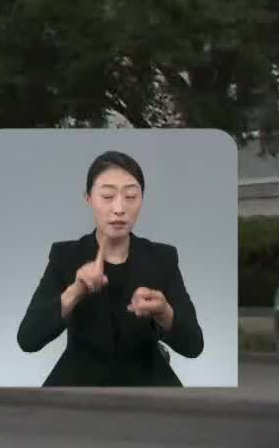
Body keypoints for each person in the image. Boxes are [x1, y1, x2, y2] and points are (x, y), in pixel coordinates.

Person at [16, 150, 204, 385]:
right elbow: (28, 339)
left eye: (131, 197)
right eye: (107, 196)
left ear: (142, 200)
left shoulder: (162, 258)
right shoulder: (65, 256)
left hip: (148, 387)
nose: (119, 208)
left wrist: (163, 312)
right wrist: (75, 291)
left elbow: (194, 345)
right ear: (88, 198)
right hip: (79, 386)